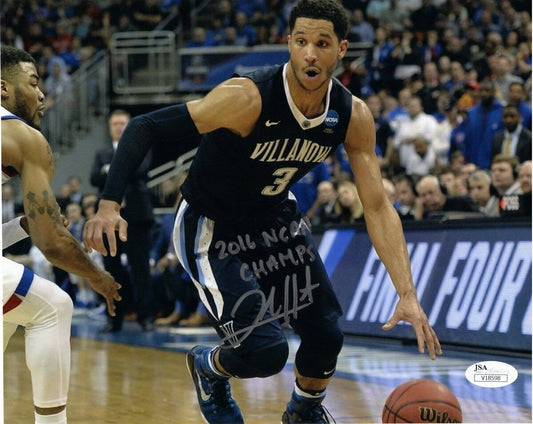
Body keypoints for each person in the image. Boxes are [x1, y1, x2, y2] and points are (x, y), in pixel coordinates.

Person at [83, 2, 441, 423]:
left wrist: (407, 294)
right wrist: (109, 204)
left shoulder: (351, 114)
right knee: (265, 352)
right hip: (212, 227)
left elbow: (378, 207)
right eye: (301, 41)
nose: (310, 53)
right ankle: (209, 366)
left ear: (341, 49)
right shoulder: (246, 96)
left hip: (274, 223)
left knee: (326, 335)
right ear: (288, 43)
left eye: (322, 43)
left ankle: (303, 411)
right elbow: (145, 126)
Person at [1, 45, 120, 424]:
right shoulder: (21, 135)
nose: (42, 93)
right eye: (33, 83)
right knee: (55, 307)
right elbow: (52, 243)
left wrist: (20, 225)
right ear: (3, 88)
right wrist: (98, 276)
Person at [90, 109, 155, 332]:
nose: (118, 126)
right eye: (115, 123)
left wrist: (111, 169)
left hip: (136, 216)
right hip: (109, 219)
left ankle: (146, 317)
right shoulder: (102, 152)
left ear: (129, 126)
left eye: (122, 123)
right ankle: (115, 318)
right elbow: (94, 177)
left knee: (141, 268)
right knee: (112, 269)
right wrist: (118, 169)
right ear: (110, 127)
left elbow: (141, 171)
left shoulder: (142, 146)